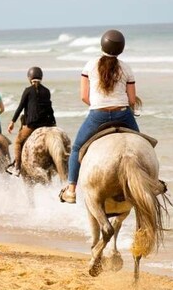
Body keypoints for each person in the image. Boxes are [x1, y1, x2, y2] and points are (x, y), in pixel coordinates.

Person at [59, 29, 139, 203]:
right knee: (143, 145)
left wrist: (99, 106)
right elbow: (132, 99)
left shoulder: (90, 65)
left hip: (98, 116)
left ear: (103, 44)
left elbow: (83, 97)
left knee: (77, 148)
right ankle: (152, 182)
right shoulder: (126, 68)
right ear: (121, 48)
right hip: (124, 114)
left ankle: (71, 190)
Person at [5, 66, 57, 175]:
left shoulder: (28, 91)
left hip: (32, 126)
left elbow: (20, 107)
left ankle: (17, 167)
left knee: (18, 142)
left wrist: (12, 122)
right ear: (41, 77)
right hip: (46, 124)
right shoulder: (46, 91)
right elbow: (49, 109)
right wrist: (54, 124)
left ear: (29, 78)